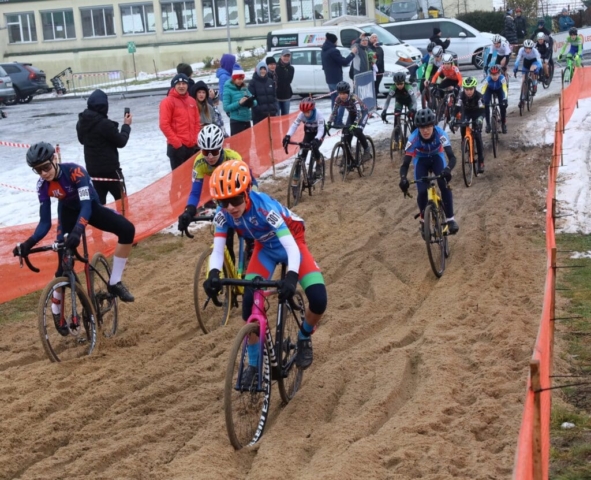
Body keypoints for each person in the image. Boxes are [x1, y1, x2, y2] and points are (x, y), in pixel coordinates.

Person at [203, 160, 327, 373]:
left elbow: (291, 247)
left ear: (247, 192)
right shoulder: (223, 215)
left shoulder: (265, 209)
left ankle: (304, 336)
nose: (230, 207)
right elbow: (217, 251)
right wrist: (213, 274)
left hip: (293, 243)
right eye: (223, 202)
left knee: (318, 299)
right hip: (265, 249)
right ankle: (253, 364)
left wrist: (291, 277)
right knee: (249, 303)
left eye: (235, 199)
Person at [14, 142, 136, 311]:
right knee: (63, 265)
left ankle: (115, 281)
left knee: (128, 230)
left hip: (91, 208)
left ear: (54, 159)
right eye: (38, 170)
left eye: (46, 167)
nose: (43, 173)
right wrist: (28, 243)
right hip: (68, 213)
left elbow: (86, 205)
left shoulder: (75, 172)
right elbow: (45, 222)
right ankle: (56, 309)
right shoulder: (42, 185)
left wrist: (78, 231)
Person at [177, 124, 257, 263]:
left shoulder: (233, 157)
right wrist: (189, 211)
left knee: (247, 213)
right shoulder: (199, 163)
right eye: (205, 151)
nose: (209, 156)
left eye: (214, 151)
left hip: (241, 185)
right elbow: (195, 192)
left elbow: (246, 187)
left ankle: (251, 244)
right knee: (226, 240)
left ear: (221, 147)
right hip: (222, 189)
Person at [398, 108, 459, 237]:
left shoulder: (440, 134)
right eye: (422, 127)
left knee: (443, 184)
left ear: (433, 125)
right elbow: (405, 164)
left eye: (428, 127)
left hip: (437, 157)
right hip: (421, 160)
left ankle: (450, 219)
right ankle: (423, 220)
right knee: (422, 191)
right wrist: (403, 178)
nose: (425, 131)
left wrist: (448, 170)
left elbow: (452, 157)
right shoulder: (413, 138)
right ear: (418, 128)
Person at [76, 89, 132, 205]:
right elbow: (121, 141)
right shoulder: (105, 124)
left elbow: (82, 141)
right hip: (111, 170)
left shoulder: (81, 122)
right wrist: (126, 125)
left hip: (93, 170)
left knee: (100, 204)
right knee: (122, 203)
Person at [159, 73, 200, 170]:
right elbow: (164, 125)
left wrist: (195, 140)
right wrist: (177, 143)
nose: (181, 86)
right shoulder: (167, 102)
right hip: (177, 148)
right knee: (179, 178)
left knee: (191, 175)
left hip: (192, 146)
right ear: (174, 86)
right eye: (178, 84)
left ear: (187, 85)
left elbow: (196, 122)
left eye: (184, 83)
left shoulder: (192, 101)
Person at [326, 81, 372, 162]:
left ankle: (367, 150)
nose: (342, 96)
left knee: (357, 130)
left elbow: (359, 112)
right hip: (352, 114)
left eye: (344, 93)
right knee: (346, 134)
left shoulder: (353, 98)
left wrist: (355, 123)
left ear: (348, 92)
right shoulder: (338, 99)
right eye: (340, 93)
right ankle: (347, 156)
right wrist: (329, 122)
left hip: (362, 112)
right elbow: (334, 112)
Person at [283, 97, 326, 179]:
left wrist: (316, 139)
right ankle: (297, 174)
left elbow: (321, 130)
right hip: (309, 132)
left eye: (308, 112)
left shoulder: (319, 114)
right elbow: (294, 125)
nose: (306, 114)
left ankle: (319, 163)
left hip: (319, 133)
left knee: (314, 147)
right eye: (304, 112)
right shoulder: (301, 115)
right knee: (303, 150)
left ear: (312, 110)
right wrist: (288, 136)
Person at [321, 32, 356, 125]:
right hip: (336, 79)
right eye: (336, 41)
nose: (337, 43)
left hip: (329, 79)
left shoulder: (324, 50)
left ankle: (334, 120)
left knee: (334, 101)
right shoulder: (333, 51)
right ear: (333, 41)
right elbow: (344, 62)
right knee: (342, 101)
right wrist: (352, 54)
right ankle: (338, 121)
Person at [452, 76, 485, 173]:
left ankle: (481, 161)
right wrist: (453, 117)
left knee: (477, 136)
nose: (469, 91)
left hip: (477, 114)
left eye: (471, 89)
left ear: (474, 88)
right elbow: (457, 108)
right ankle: (464, 140)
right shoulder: (461, 96)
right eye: (466, 89)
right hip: (466, 113)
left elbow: (483, 111)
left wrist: (480, 119)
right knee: (463, 124)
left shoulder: (479, 96)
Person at [381, 71, 417, 141]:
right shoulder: (392, 88)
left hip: (409, 101)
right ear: (395, 83)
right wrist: (384, 110)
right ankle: (396, 134)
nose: (399, 86)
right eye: (397, 84)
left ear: (404, 82)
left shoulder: (408, 87)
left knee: (414, 115)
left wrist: (412, 110)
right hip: (399, 101)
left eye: (401, 83)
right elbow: (387, 101)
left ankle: (415, 131)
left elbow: (415, 102)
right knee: (396, 115)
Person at [223, 66, 256, 136]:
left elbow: (255, 101)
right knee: (237, 142)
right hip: (236, 121)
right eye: (238, 79)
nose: (240, 81)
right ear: (234, 78)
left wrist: (251, 102)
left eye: (242, 79)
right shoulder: (227, 90)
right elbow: (226, 107)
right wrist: (239, 103)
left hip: (247, 120)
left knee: (248, 142)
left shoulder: (244, 88)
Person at [248, 61, 277, 125]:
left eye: (264, 69)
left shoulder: (270, 81)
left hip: (271, 113)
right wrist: (258, 109)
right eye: (261, 69)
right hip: (259, 115)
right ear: (258, 70)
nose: (262, 71)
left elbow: (274, 96)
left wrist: (275, 107)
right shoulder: (253, 82)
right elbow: (251, 98)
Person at [482, 65, 508, 135]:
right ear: (490, 74)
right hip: (489, 89)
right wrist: (482, 98)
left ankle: (503, 124)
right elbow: (483, 89)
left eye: (496, 74)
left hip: (499, 89)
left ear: (499, 73)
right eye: (493, 75)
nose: (494, 76)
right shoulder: (488, 79)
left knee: (503, 106)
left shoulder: (502, 78)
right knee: (486, 104)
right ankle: (488, 124)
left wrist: (505, 99)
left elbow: (504, 89)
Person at [276, 49, 294, 115]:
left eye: (288, 56)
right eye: (285, 56)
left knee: (286, 116)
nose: (286, 58)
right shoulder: (276, 67)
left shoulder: (291, 68)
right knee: (276, 117)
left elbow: (289, 80)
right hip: (276, 96)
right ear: (281, 56)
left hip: (286, 96)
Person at [368, 33, 385, 98]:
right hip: (373, 71)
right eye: (373, 37)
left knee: (377, 86)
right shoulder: (369, 48)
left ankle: (376, 98)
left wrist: (382, 70)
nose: (375, 39)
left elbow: (382, 60)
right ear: (370, 39)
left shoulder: (380, 48)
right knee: (373, 87)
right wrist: (373, 47)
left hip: (380, 71)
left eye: (376, 37)